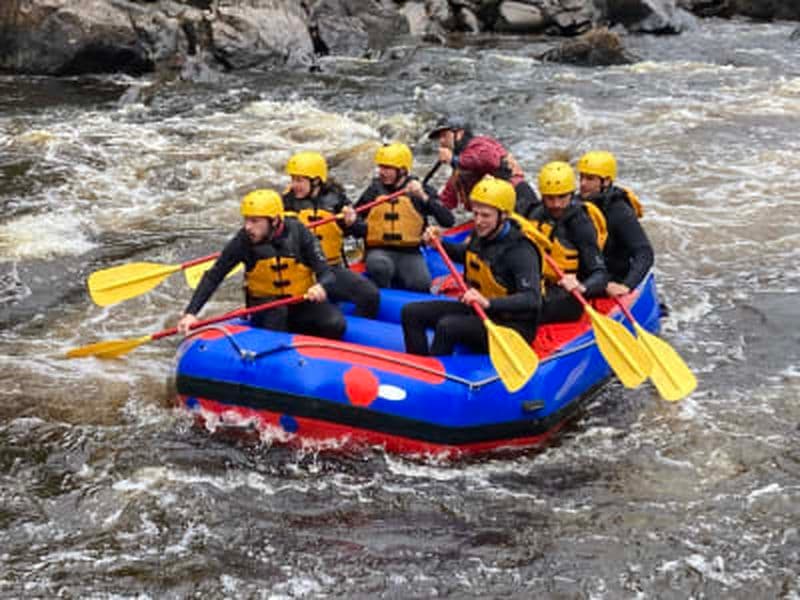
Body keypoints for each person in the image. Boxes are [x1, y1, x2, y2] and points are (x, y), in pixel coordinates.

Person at [176, 189, 345, 340]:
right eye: (246, 220)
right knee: (278, 315)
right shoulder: (243, 241)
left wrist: (321, 286)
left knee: (335, 324)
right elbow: (214, 276)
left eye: (255, 221)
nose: (248, 227)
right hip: (265, 306)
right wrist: (191, 313)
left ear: (274, 221)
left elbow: (326, 272)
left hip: (299, 302)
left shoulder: (299, 233)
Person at [402, 176, 541, 356]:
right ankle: (418, 367)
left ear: (504, 215)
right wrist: (439, 243)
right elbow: (467, 255)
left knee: (447, 326)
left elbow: (532, 299)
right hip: (478, 310)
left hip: (512, 326)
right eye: (475, 214)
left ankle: (438, 379)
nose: (478, 221)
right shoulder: (481, 234)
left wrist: (488, 303)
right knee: (411, 312)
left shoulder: (521, 250)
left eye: (485, 215)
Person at [283, 151, 380, 317]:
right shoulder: (286, 203)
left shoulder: (337, 199)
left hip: (330, 269)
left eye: (299, 180)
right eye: (293, 179)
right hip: (298, 273)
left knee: (370, 295)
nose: (294, 185)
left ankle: (356, 331)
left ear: (316, 181)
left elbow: (361, 231)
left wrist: (351, 222)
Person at [352, 142, 455, 292]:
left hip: (410, 252)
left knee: (421, 283)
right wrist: (351, 221)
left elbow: (448, 220)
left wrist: (423, 197)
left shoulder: (420, 190)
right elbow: (356, 226)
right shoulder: (374, 191)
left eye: (387, 168)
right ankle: (383, 295)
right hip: (379, 250)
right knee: (380, 267)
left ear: (402, 170)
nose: (382, 172)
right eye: (380, 167)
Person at [526, 161, 608, 324]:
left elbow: (600, 274)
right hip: (538, 285)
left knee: (522, 311)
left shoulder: (580, 224)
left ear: (571, 193)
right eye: (550, 198)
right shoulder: (536, 213)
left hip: (568, 294)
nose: (556, 204)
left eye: (562, 197)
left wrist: (582, 286)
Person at [427, 116, 539, 218]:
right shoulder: (458, 172)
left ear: (459, 134)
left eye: (444, 136)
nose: (441, 142)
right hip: (496, 212)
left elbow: (490, 160)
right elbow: (446, 202)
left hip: (519, 199)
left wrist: (453, 159)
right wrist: (425, 200)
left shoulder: (480, 144)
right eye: (439, 138)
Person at [577, 150, 654, 297]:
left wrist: (626, 286)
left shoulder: (620, 212)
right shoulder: (575, 204)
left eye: (590, 179)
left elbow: (644, 252)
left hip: (611, 280)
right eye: (581, 177)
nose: (582, 184)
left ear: (606, 181)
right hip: (586, 278)